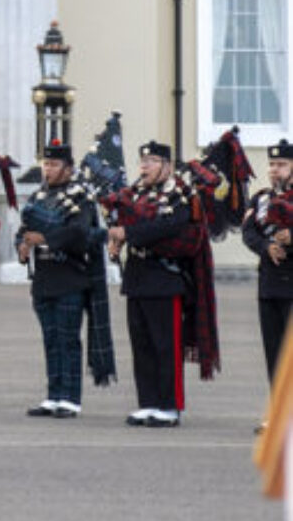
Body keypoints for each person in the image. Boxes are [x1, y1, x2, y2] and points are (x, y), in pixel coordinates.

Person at [16, 143, 111, 418]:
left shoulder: (80, 198)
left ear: (68, 169)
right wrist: (22, 247)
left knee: (68, 340)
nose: (48, 169)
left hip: (70, 277)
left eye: (54, 165)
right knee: (50, 339)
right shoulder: (38, 196)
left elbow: (79, 234)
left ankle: (70, 398)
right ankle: (53, 395)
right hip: (44, 278)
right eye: (46, 165)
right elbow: (24, 230)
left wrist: (45, 238)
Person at [107, 141, 197, 427]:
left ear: (167, 166)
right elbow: (128, 221)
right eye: (143, 160)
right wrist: (117, 238)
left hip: (164, 278)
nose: (144, 166)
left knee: (165, 345)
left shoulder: (179, 194)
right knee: (142, 344)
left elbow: (168, 226)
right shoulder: (135, 194)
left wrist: (128, 232)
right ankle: (148, 403)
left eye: (152, 160)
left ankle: (170, 406)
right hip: (138, 275)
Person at [245, 140, 293, 387]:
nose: (275, 169)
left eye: (282, 164)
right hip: (269, 284)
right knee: (273, 352)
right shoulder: (261, 199)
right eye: (272, 164)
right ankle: (277, 416)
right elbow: (249, 232)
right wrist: (266, 247)